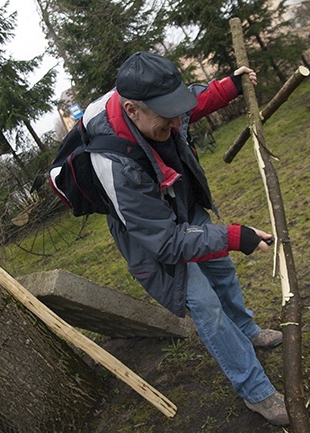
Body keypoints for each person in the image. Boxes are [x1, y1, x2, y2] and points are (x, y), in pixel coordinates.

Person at [82, 51, 289, 427]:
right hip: (151, 233)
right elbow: (165, 242)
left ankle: (248, 331)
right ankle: (256, 390)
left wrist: (230, 86)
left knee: (221, 269)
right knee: (205, 304)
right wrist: (232, 235)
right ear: (132, 111)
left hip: (179, 198)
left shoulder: (156, 103)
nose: (177, 121)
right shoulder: (112, 162)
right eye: (167, 116)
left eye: (176, 109)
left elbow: (191, 102)